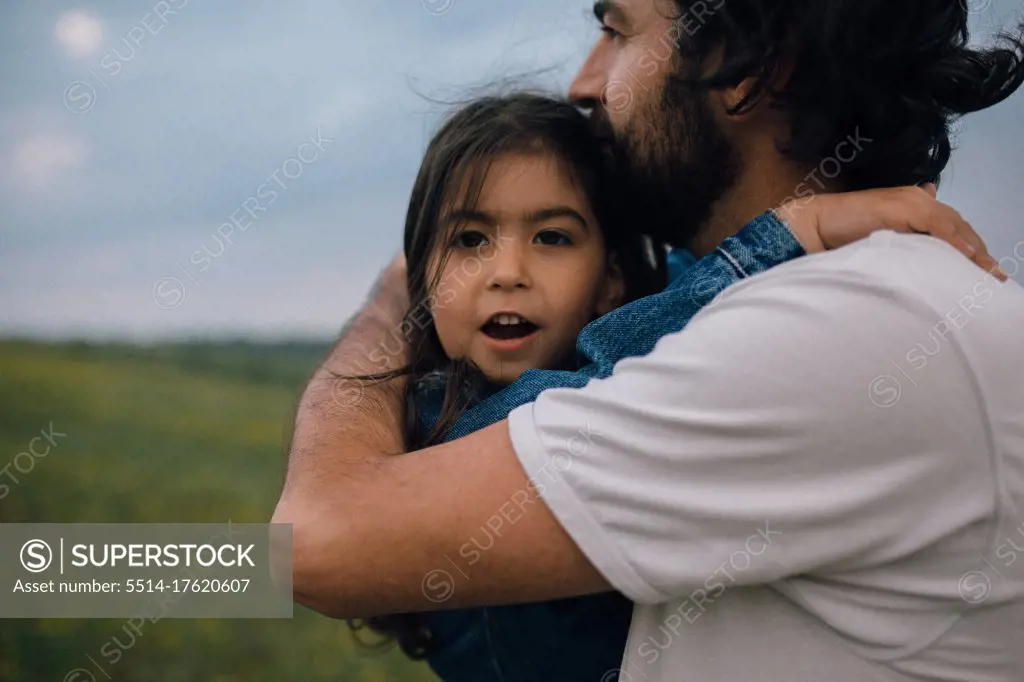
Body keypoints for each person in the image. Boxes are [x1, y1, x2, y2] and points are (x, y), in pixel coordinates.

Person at [275, 2, 1024, 680]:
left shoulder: (851, 324)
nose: (583, 80)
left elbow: (309, 545)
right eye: (470, 238)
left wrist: (389, 305)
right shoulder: (814, 297)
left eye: (616, 30)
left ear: (751, 71)